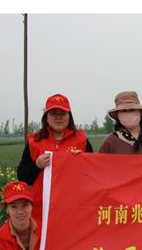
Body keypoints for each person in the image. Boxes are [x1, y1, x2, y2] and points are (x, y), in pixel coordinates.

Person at [16, 92, 92, 222]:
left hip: (73, 207)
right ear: (46, 117)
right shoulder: (34, 141)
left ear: (69, 117)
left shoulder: (81, 139)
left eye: (63, 113)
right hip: (41, 209)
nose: (58, 117)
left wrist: (84, 160)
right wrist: (36, 165)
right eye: (53, 113)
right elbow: (22, 177)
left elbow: (92, 175)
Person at [98, 90, 142, 155]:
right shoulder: (109, 142)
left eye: (132, 110)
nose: (128, 114)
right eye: (124, 111)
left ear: (139, 112)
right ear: (117, 115)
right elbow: (100, 161)